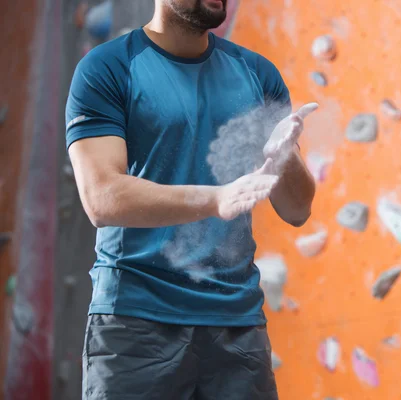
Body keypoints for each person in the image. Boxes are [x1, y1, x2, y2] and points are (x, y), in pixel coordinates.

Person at [65, 0, 317, 398]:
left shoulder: (256, 74)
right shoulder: (107, 68)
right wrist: (215, 199)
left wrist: (283, 158)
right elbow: (102, 198)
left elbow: (298, 209)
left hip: (237, 325)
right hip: (136, 321)